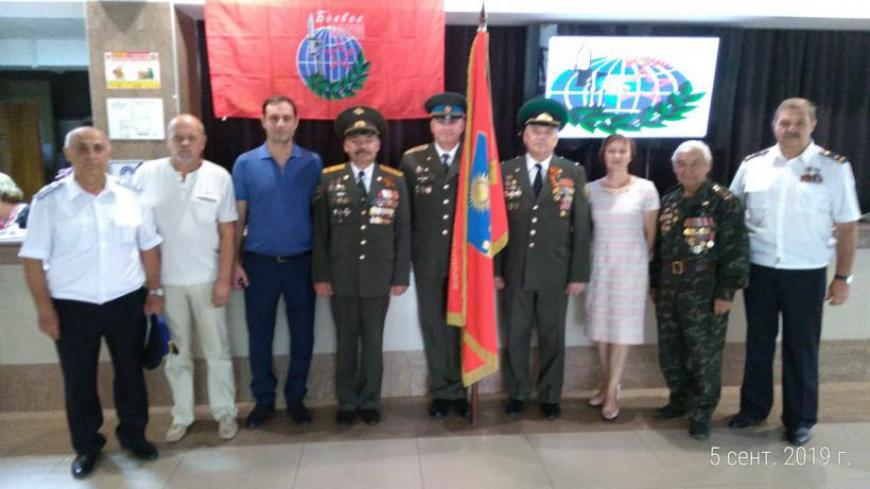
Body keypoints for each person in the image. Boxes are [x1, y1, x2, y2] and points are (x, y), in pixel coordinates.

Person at [19, 127, 164, 478]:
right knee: (78, 378)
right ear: (68, 154)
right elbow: (33, 259)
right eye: (81, 148)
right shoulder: (48, 201)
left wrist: (155, 292)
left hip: (125, 301)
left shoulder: (131, 196)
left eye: (98, 148)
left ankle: (134, 436)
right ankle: (87, 447)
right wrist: (44, 309)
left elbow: (148, 248)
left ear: (109, 152)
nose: (91, 155)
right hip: (72, 306)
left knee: (130, 373)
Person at [727, 98, 860, 446]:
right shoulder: (753, 165)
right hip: (760, 270)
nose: (791, 129)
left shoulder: (833, 168)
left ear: (813, 125)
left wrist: (842, 278)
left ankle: (799, 420)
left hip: (806, 272)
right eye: (784, 122)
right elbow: (731, 217)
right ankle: (753, 409)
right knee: (758, 344)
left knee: (801, 348)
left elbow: (847, 227)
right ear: (774, 125)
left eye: (799, 123)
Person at [133, 114, 239, 442]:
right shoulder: (146, 175)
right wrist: (152, 287)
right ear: (168, 140)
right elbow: (137, 232)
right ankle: (182, 415)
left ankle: (225, 412)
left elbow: (228, 232)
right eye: (178, 137)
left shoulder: (219, 177)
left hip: (208, 281)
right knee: (176, 353)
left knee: (217, 351)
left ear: (203, 141)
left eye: (191, 137)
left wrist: (223, 280)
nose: (184, 143)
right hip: (166, 286)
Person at [312, 106, 411, 426]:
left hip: (379, 278)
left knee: (373, 342)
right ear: (345, 145)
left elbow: (403, 231)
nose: (362, 145)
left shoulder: (395, 180)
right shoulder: (329, 178)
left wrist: (400, 275)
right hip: (341, 277)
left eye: (368, 139)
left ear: (378, 144)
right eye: (355, 140)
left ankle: (370, 400)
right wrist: (321, 275)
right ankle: (347, 401)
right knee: (345, 343)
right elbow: (321, 233)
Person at [495, 97, 591, 420]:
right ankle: (517, 393)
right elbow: (495, 225)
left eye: (549, 131)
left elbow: (581, 228)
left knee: (553, 337)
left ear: (557, 137)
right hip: (515, 271)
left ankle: (550, 396)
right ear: (524, 135)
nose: (541, 137)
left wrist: (578, 274)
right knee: (516, 335)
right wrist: (495, 269)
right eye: (536, 130)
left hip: (555, 272)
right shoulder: (504, 171)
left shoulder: (573, 172)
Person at [232, 95, 323, 428]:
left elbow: (320, 217)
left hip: (302, 263)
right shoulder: (245, 163)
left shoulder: (313, 162)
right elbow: (238, 216)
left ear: (297, 122)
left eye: (286, 117)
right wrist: (234, 262)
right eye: (274, 118)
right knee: (259, 336)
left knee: (303, 336)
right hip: (259, 264)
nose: (280, 124)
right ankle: (264, 400)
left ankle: (296, 398)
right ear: (263, 121)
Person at [650, 140, 749, 440]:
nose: (688, 170)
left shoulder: (723, 201)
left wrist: (725, 292)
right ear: (674, 168)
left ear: (708, 166)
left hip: (705, 291)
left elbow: (736, 251)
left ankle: (702, 411)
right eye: (681, 164)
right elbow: (660, 248)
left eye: (695, 164)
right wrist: (655, 284)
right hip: (670, 287)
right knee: (671, 350)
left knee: (703, 353)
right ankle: (678, 400)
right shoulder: (669, 201)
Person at [399, 92, 468, 419]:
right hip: (427, 258)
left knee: (461, 327)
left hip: (465, 261)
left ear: (464, 124)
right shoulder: (412, 161)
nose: (447, 125)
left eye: (454, 119)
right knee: (433, 326)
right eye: (441, 119)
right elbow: (405, 217)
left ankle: (461, 390)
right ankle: (441, 391)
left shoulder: (477, 159)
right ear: (431, 124)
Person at [584, 134, 659, 420]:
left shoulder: (645, 188)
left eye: (622, 151)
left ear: (631, 155)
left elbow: (650, 234)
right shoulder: (590, 190)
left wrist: (640, 262)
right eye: (611, 151)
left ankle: (613, 390)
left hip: (631, 268)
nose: (616, 156)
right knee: (601, 329)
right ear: (603, 155)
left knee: (622, 329)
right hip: (600, 266)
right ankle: (606, 385)